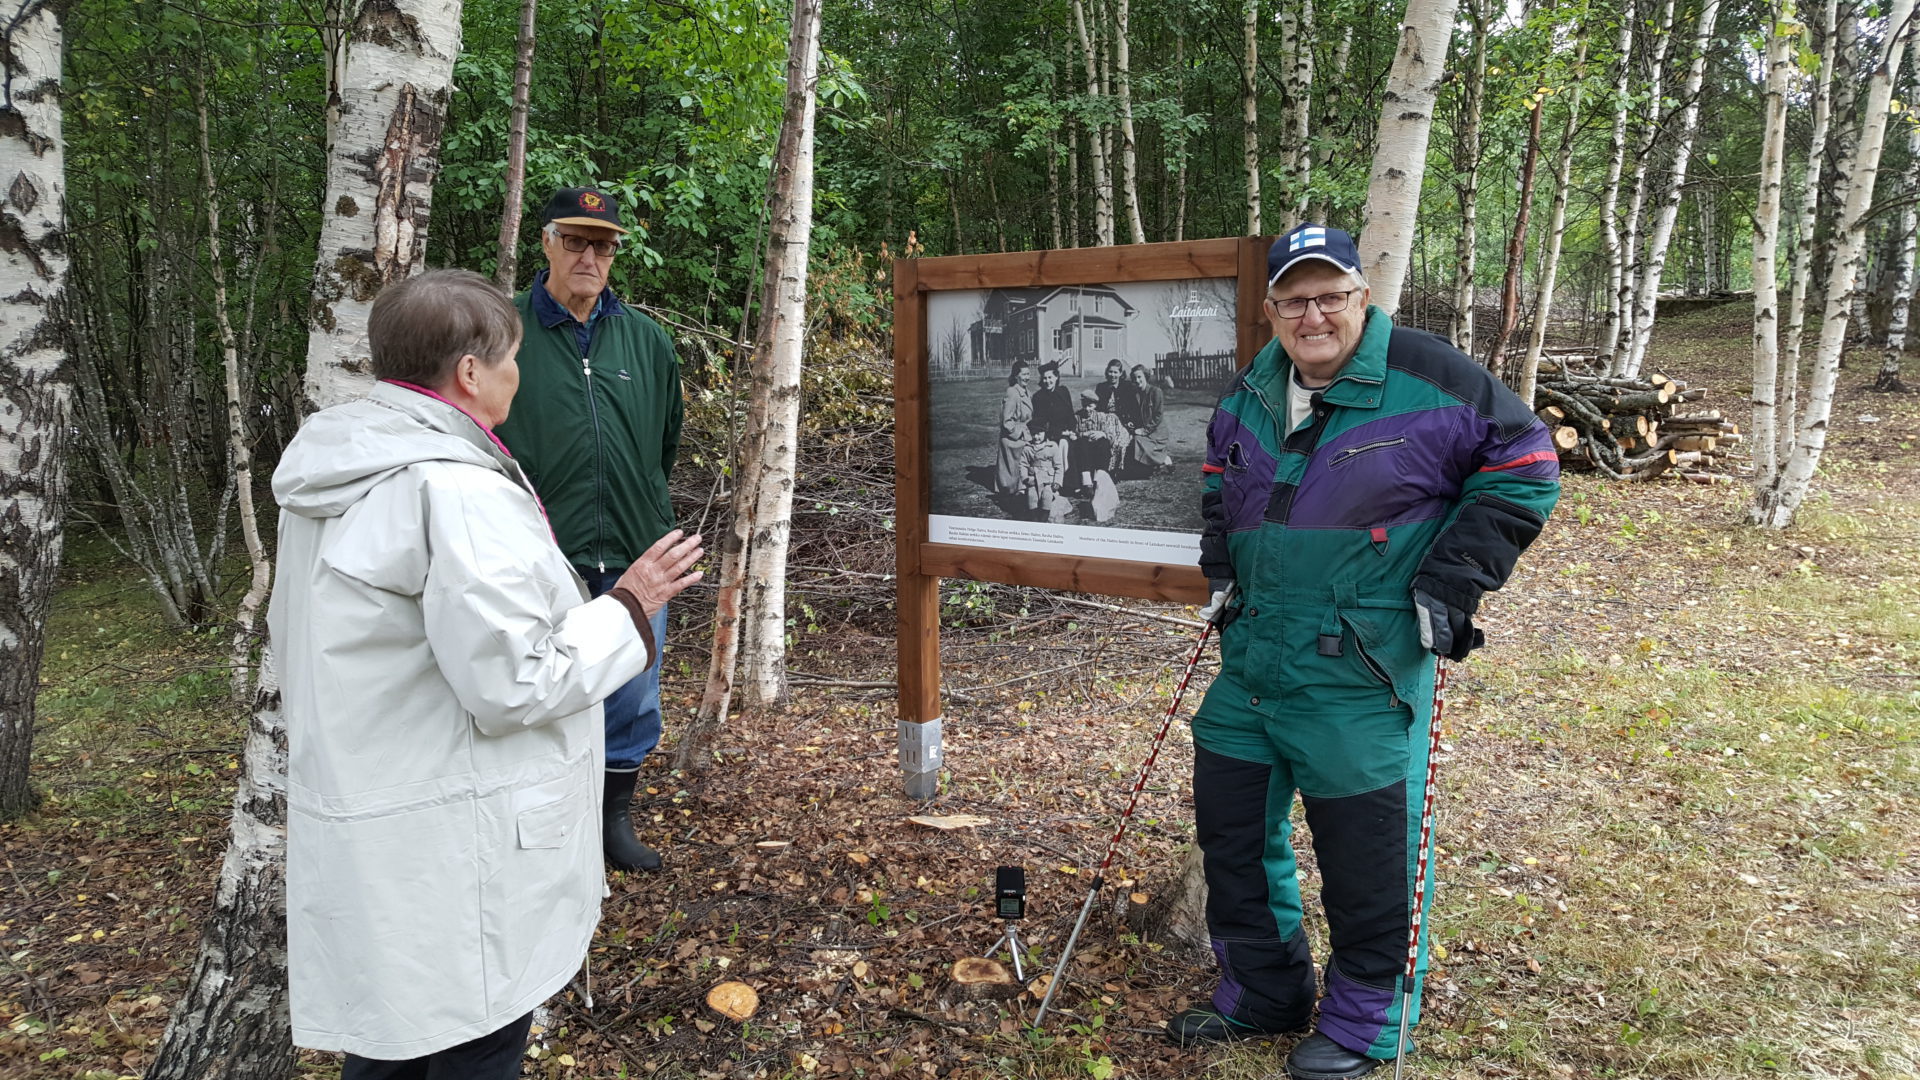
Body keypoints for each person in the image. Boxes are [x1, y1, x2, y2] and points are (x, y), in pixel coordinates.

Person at [270, 269, 705, 1076]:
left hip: (383, 821)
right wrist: (630, 605)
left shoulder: (335, 474)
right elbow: (519, 680)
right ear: (471, 372)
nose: (521, 372)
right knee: (477, 1033)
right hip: (456, 843)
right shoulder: (456, 489)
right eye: (511, 358)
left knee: (392, 1033)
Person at [1174, 223, 1560, 1080]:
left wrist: (1452, 584)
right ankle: (1263, 991)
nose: (1312, 315)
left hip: (1364, 663)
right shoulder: (1252, 390)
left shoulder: (1432, 377)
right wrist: (1219, 572)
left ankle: (1363, 1024)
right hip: (1253, 660)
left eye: (1329, 295)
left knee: (1366, 854)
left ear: (1360, 297)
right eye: (1293, 299)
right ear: (1270, 309)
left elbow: (1528, 464)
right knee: (1231, 832)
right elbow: (1217, 480)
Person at [494, 187, 686, 873]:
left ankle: (612, 821)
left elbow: (663, 440)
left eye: (602, 245)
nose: (588, 256)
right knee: (543, 687)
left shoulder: (646, 340)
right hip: (543, 552)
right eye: (574, 240)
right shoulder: (504, 333)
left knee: (632, 690)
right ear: (546, 242)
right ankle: (548, 827)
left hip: (636, 546)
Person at [1117, 363, 1172, 474]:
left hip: (1156, 432)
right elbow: (1134, 414)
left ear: (1145, 377)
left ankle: (1162, 459)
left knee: (1137, 441)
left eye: (1139, 377)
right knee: (1131, 441)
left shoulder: (1156, 392)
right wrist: (1131, 423)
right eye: (1134, 378)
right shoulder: (1134, 394)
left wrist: (1144, 430)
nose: (1137, 380)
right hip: (1143, 429)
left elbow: (1158, 416)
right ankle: (1157, 463)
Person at [1070, 386, 1124, 494]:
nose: (1087, 409)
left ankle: (1100, 478)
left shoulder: (1101, 417)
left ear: (1095, 405)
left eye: (1090, 406)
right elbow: (1073, 434)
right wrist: (1083, 434)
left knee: (1104, 443)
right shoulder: (1077, 417)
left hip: (1098, 449)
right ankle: (1087, 482)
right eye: (1085, 405)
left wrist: (1102, 433)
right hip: (1084, 450)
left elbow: (1110, 436)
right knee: (1082, 443)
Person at [995, 359, 1036, 494]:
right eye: (1024, 374)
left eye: (1028, 374)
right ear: (1016, 376)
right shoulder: (1012, 392)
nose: (1027, 377)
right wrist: (1022, 434)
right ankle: (1020, 486)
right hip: (1012, 439)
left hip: (1024, 434)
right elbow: (1006, 422)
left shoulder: (1027, 392)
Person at [1029, 360, 1076, 446]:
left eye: (1050, 377)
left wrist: (1072, 431)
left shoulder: (1063, 392)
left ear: (1056, 377)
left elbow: (1071, 414)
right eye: (1044, 378)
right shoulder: (1038, 397)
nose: (1047, 381)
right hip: (1050, 436)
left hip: (1068, 433)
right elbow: (1040, 424)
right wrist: (1060, 433)